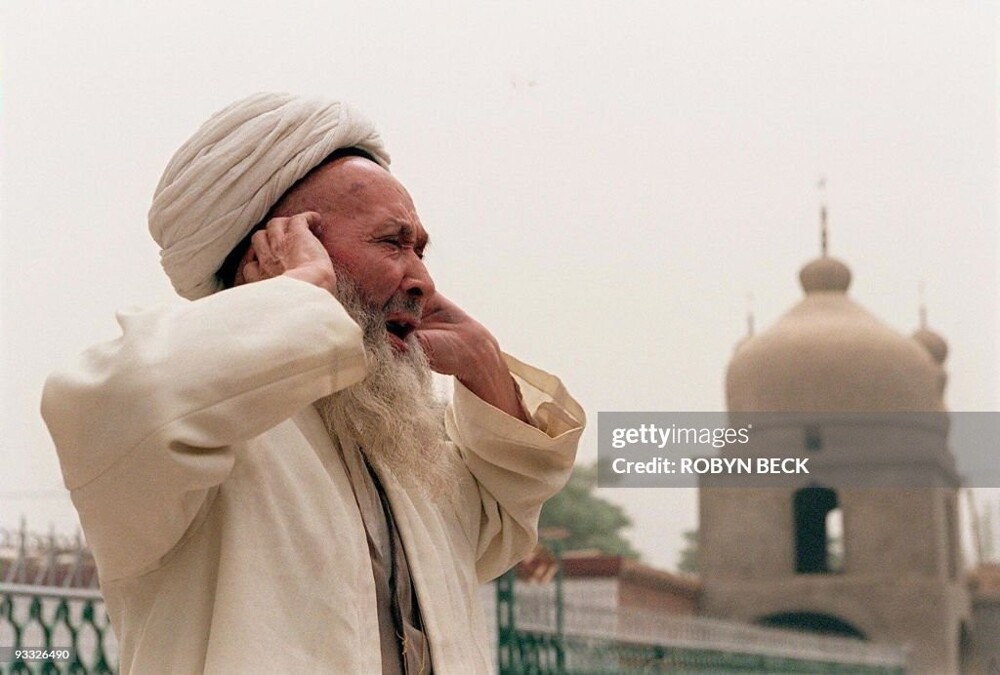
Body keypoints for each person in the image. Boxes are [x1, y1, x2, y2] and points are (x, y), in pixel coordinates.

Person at [41, 93, 584, 674]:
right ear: (279, 247)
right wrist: (299, 296)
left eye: (420, 249)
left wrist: (483, 363)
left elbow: (503, 518)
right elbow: (126, 402)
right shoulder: (192, 437)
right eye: (392, 242)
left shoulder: (394, 445)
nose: (422, 279)